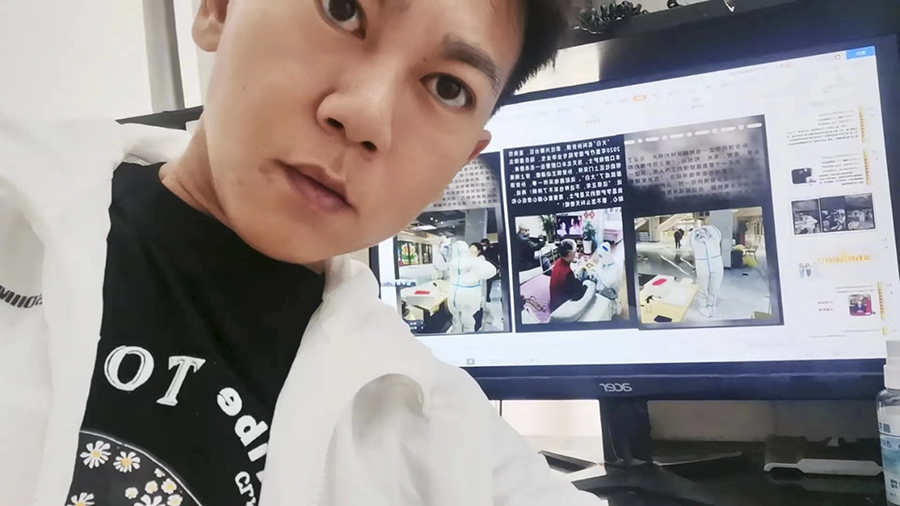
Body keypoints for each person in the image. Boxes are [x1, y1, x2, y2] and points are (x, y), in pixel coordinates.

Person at [0, 0, 603, 505]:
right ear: (218, 9)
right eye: (342, 10)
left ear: (462, 160)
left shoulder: (445, 435)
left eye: (449, 88)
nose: (365, 116)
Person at [689, 225, 725, 318]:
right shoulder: (696, 244)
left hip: (716, 266)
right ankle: (703, 306)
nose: (702, 234)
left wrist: (706, 227)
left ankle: (711, 305)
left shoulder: (714, 241)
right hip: (702, 267)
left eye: (704, 232)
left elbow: (717, 233)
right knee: (703, 288)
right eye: (699, 233)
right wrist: (695, 230)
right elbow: (690, 239)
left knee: (715, 287)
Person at [549, 239, 589, 313]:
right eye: (575, 252)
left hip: (554, 302)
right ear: (569, 255)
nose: (577, 254)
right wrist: (586, 285)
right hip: (562, 307)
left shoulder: (558, 262)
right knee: (588, 285)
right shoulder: (568, 273)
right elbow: (577, 294)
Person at [481, 238, 501, 303]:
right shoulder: (482, 252)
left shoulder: (492, 250)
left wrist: (497, 267)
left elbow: (494, 259)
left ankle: (487, 297)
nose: (483, 247)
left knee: (490, 283)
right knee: (488, 284)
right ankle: (487, 297)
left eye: (484, 245)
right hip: (487, 269)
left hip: (493, 268)